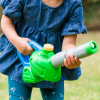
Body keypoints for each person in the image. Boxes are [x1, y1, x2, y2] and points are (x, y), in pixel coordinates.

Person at [0, 0, 87, 100]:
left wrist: (71, 57)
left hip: (52, 65)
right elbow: (6, 19)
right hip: (23, 60)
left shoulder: (73, 3)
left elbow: (69, 43)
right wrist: (16, 41)